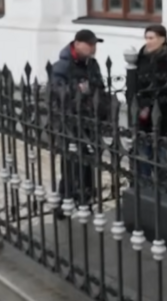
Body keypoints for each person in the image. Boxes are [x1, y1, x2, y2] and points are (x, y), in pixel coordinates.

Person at [50, 29, 107, 218]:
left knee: (88, 162)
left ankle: (85, 201)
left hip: (89, 119)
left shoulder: (92, 64)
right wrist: (79, 91)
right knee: (71, 163)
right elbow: (58, 95)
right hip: (70, 123)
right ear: (77, 44)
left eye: (95, 45)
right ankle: (63, 203)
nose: (93, 48)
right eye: (89, 44)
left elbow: (99, 87)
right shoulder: (62, 66)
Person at [133, 25, 167, 178]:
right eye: (147, 38)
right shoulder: (142, 54)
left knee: (159, 147)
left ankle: (162, 182)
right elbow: (136, 79)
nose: (148, 41)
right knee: (143, 145)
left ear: (162, 39)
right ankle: (144, 179)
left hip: (161, 109)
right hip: (143, 107)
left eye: (152, 38)